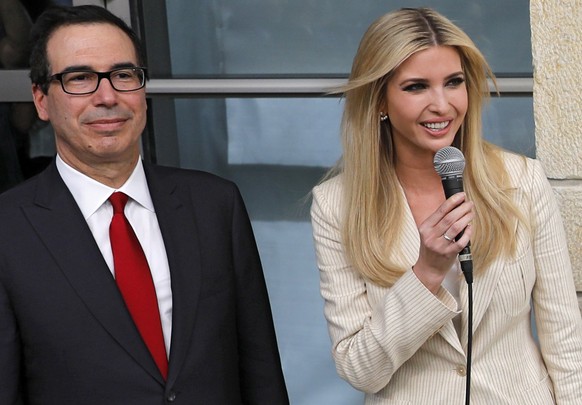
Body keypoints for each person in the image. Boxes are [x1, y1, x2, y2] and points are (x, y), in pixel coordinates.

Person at [0, 5, 289, 404]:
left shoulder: (214, 205)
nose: (107, 96)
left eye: (123, 75)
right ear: (41, 100)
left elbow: (261, 375)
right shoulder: (8, 230)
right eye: (80, 78)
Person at [310, 7, 582, 404]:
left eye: (453, 82)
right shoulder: (337, 205)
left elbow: (565, 338)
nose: (442, 104)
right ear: (380, 101)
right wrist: (425, 274)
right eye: (416, 87)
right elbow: (359, 369)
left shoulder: (521, 180)